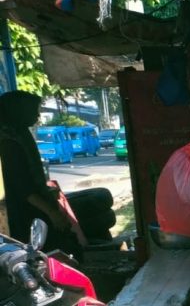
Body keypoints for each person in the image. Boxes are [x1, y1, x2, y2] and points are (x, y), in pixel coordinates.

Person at [0, 90, 114, 253]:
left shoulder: (20, 134)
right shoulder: (9, 144)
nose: (38, 115)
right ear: (18, 111)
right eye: (33, 110)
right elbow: (24, 189)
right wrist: (52, 213)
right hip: (23, 213)